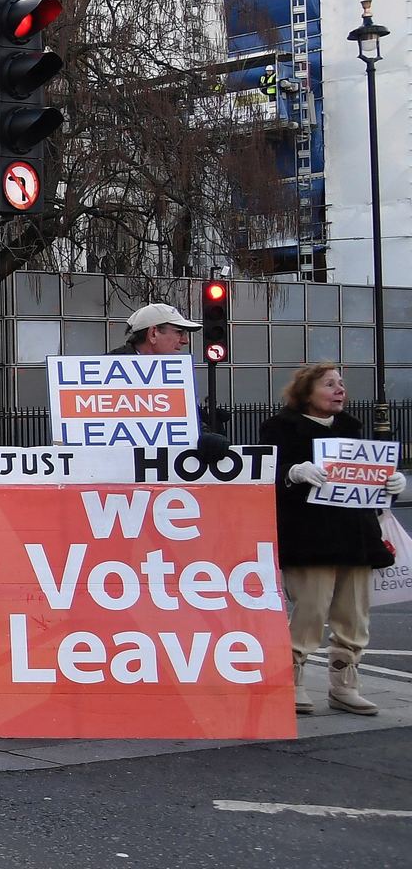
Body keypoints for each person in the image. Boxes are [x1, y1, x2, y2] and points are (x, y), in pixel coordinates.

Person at [260, 364, 405, 716]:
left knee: (354, 615)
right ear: (306, 392)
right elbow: (266, 477)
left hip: (355, 536)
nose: (340, 389)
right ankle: (290, 680)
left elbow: (365, 483)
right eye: (329, 384)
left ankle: (345, 685)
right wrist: (292, 474)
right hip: (310, 537)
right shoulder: (279, 428)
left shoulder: (351, 429)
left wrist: (390, 486)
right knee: (310, 610)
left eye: (341, 384)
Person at [114, 301, 231, 463]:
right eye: (179, 332)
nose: (185, 341)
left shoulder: (174, 377)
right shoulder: (107, 372)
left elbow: (187, 420)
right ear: (153, 333)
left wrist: (205, 436)